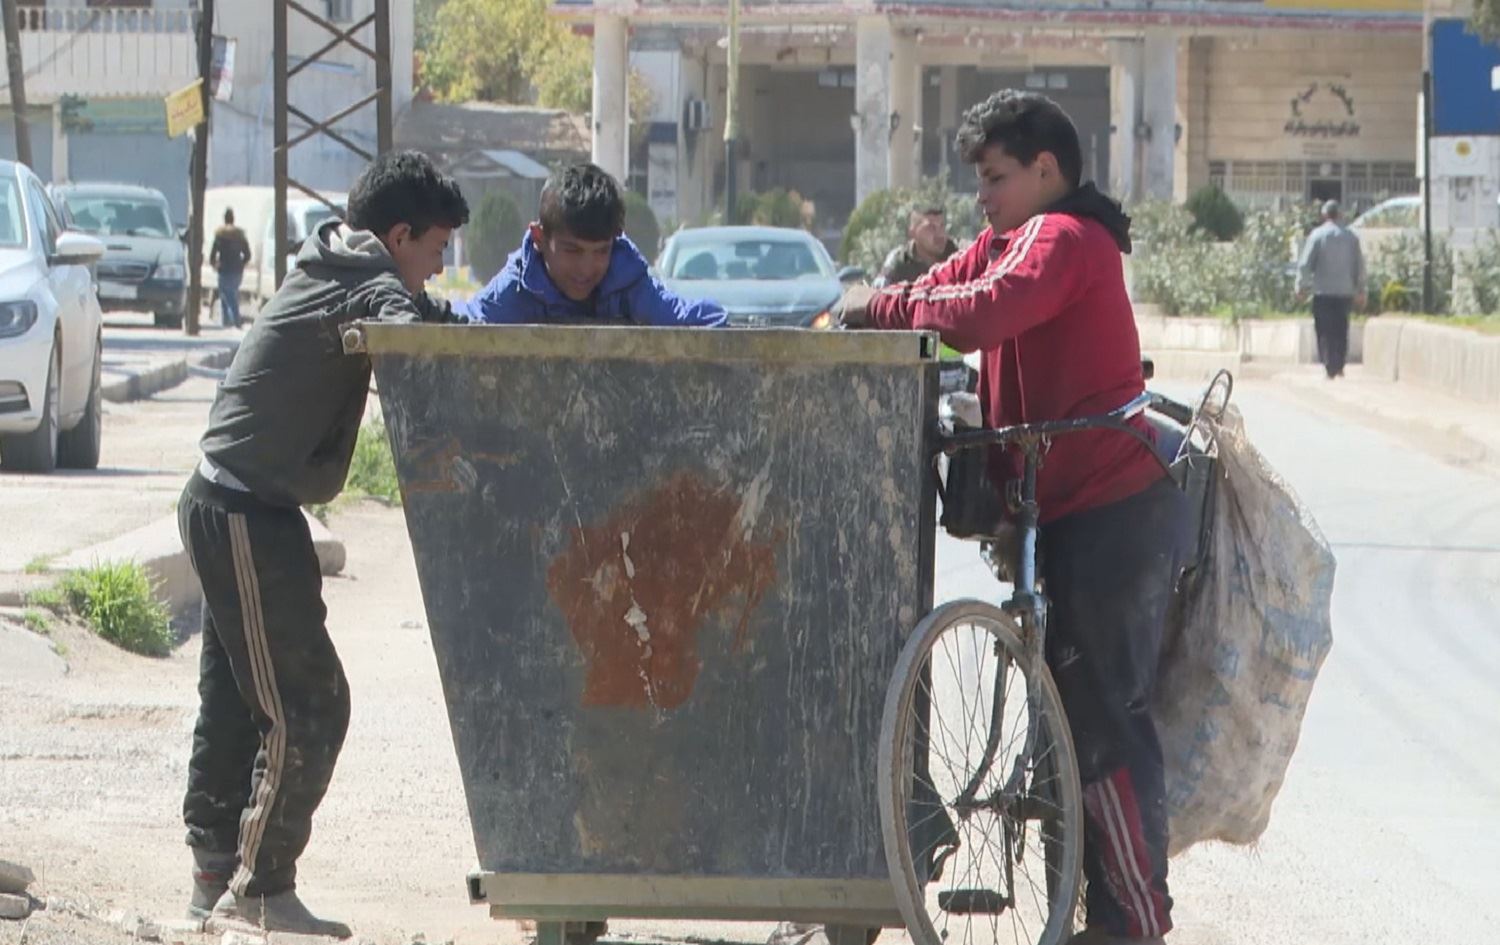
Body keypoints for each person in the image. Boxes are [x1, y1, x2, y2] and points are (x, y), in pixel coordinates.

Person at [835, 90, 1191, 945]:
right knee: (1067, 718)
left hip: (1111, 507)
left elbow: (981, 315)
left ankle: (1135, 922)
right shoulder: (1010, 239)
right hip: (1053, 503)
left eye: (997, 178)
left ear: (1047, 170)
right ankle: (1089, 910)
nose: (983, 198)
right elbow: (941, 285)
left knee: (1103, 718)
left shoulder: (1069, 238)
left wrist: (875, 308)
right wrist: (857, 303)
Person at [177, 151, 469, 938]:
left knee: (246, 703)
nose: (436, 267)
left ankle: (218, 875)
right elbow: (407, 328)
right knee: (311, 705)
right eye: (436, 249)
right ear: (399, 234)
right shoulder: (365, 274)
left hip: (246, 505)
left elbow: (415, 317)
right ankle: (258, 887)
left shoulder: (346, 261)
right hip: (241, 508)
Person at [457, 162, 726, 326]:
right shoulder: (514, 290)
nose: (586, 269)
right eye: (572, 250)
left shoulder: (628, 282)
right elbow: (460, 326)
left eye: (601, 251)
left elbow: (699, 320)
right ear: (539, 239)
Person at [1296, 199, 1365, 379]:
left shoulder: (1317, 236)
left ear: (1324, 215)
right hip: (1344, 292)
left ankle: (1329, 366)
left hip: (1323, 292)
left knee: (1324, 330)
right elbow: (1359, 265)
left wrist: (1301, 286)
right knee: (1341, 329)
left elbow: (1305, 264)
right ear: (1340, 214)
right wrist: (1360, 289)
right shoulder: (1351, 237)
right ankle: (1339, 365)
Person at [875, 204, 960, 287]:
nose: (940, 234)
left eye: (942, 226)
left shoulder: (958, 257)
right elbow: (879, 291)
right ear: (913, 232)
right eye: (931, 227)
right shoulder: (899, 260)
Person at [209, 208, 253, 329]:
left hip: (223, 269)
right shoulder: (240, 235)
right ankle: (230, 320)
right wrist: (241, 263)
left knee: (226, 294)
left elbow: (212, 255)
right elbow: (248, 254)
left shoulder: (219, 235)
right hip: (237, 270)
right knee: (231, 293)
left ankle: (232, 319)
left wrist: (215, 264)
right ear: (233, 218)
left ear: (225, 219)